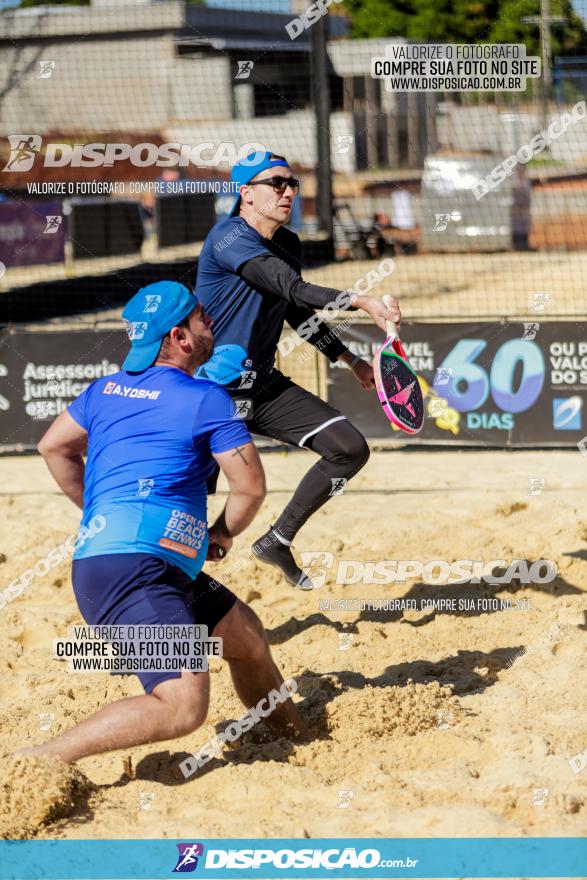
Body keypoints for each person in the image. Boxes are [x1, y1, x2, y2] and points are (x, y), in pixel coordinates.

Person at [13, 280, 310, 764]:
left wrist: (98, 511)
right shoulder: (203, 398)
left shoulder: (105, 389)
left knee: (247, 637)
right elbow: (251, 487)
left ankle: (298, 739)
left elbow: (53, 446)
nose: (209, 318)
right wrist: (223, 532)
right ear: (180, 336)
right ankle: (40, 759)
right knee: (182, 706)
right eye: (200, 315)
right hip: (135, 573)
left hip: (133, 566)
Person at [195, 150, 401, 589]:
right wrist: (363, 301)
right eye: (276, 183)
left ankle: (277, 539)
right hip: (208, 392)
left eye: (292, 184)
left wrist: (350, 360)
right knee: (188, 512)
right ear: (245, 193)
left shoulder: (287, 243)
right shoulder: (228, 237)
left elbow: (294, 310)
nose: (288, 191)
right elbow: (295, 288)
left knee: (349, 448)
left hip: (262, 386)